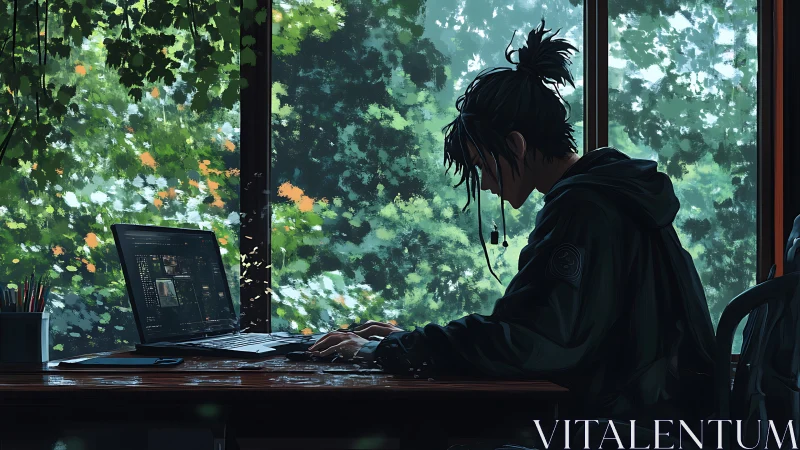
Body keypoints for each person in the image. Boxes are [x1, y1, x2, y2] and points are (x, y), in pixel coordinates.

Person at [308, 19, 717, 422]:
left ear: (516, 145)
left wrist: (385, 349)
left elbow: (526, 341)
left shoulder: (583, 209)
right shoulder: (610, 197)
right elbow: (529, 328)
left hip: (617, 426)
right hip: (654, 416)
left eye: (482, 165)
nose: (485, 184)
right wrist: (405, 341)